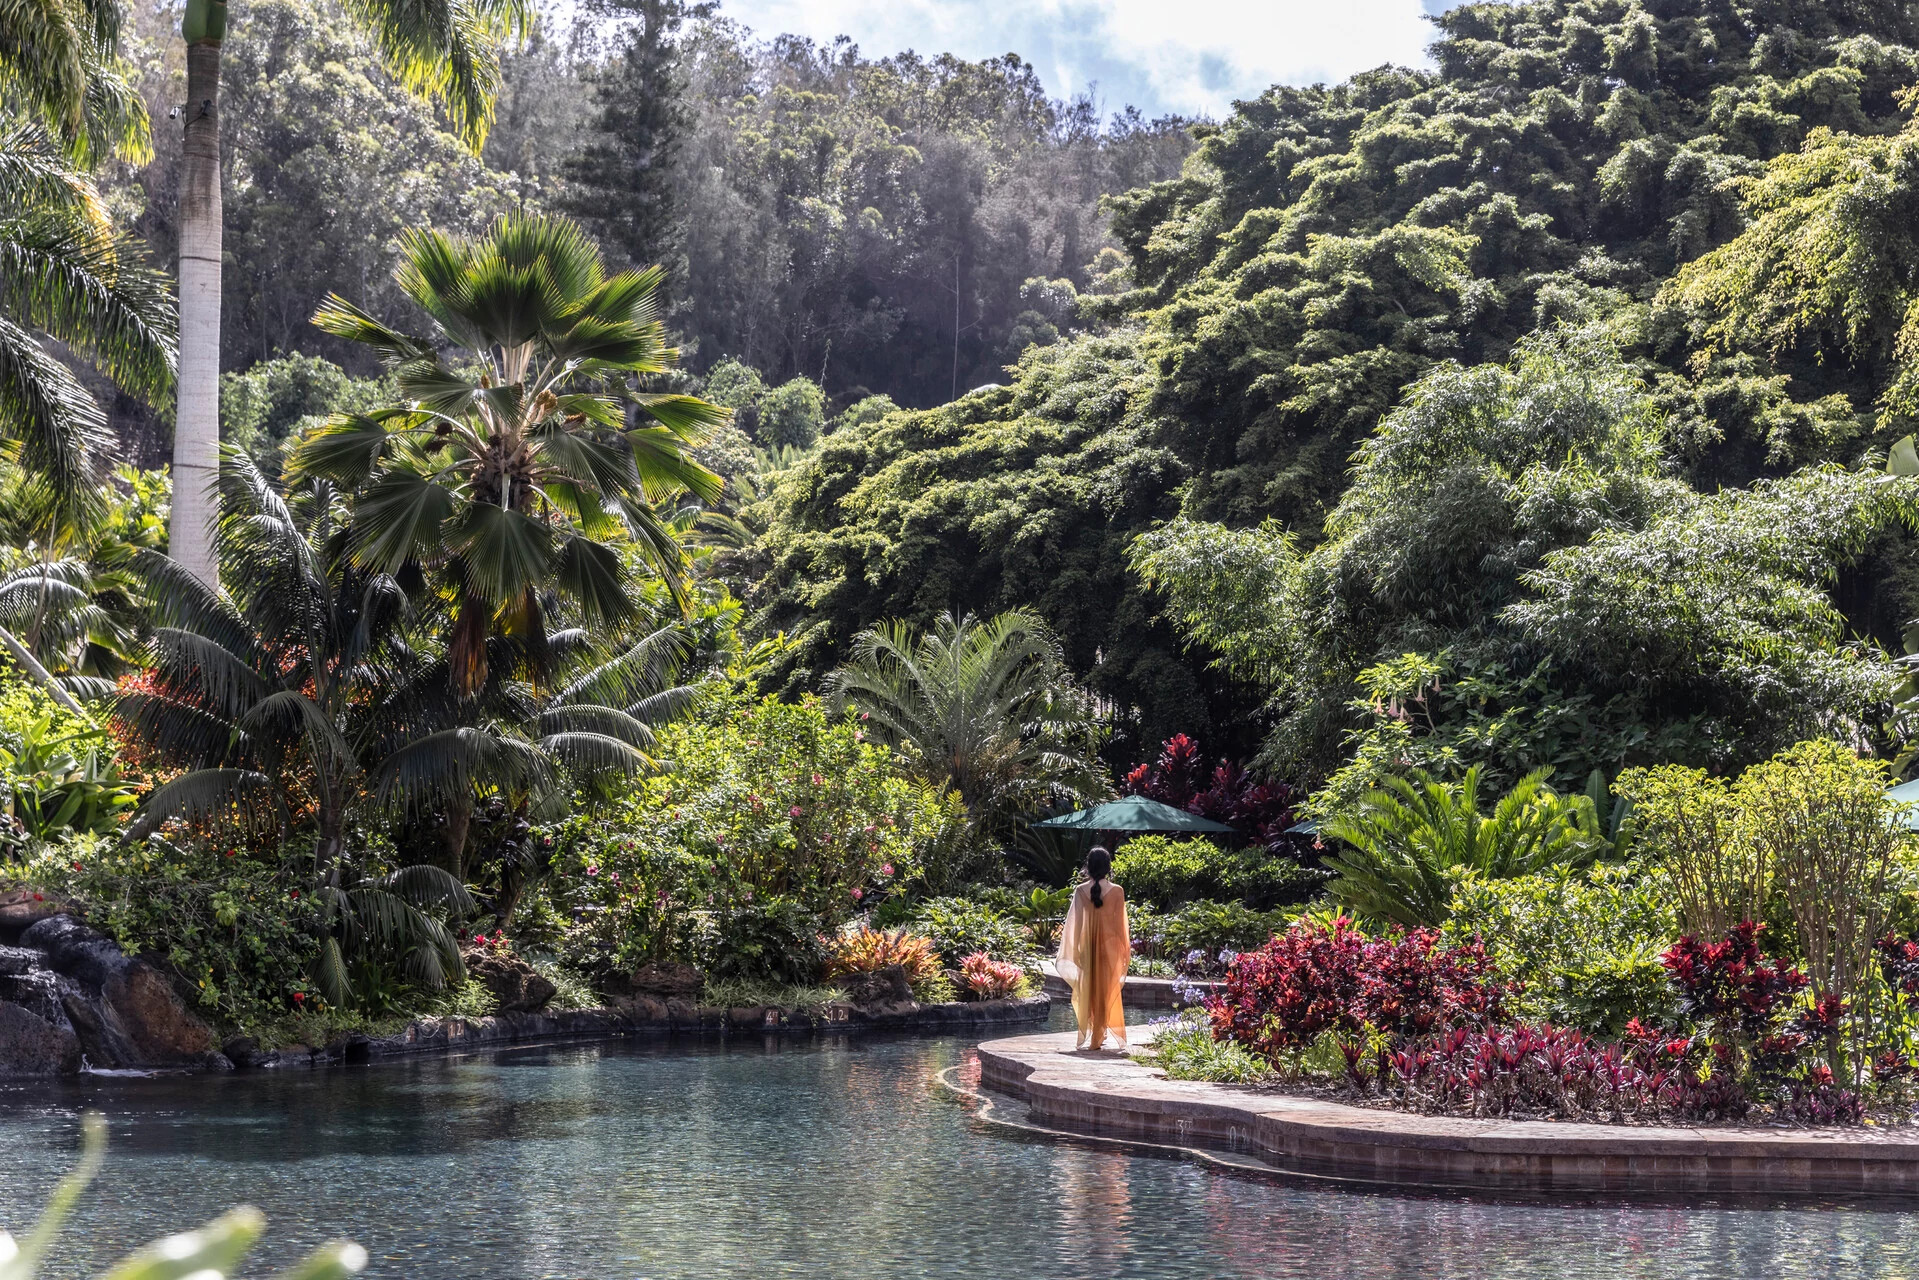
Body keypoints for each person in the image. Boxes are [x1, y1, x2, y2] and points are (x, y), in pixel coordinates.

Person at [1055, 845, 1130, 1051]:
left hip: (1088, 947)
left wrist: (1078, 949)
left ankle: (1097, 1032)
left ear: (1088, 866)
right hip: (1110, 948)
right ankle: (1099, 1032)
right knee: (1106, 990)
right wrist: (1124, 950)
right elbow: (1120, 926)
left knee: (1089, 990)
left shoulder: (1080, 891)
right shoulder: (1117, 891)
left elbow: (1076, 924)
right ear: (1108, 867)